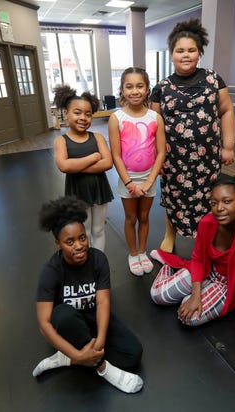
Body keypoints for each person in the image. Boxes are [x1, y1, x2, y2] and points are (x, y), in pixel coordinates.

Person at [32, 196, 143, 393]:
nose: (79, 246)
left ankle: (66, 358)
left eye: (82, 237)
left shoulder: (98, 260)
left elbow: (102, 302)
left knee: (133, 355)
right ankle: (103, 369)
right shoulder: (51, 270)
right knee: (62, 315)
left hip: (93, 317)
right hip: (68, 323)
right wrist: (79, 354)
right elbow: (44, 325)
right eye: (69, 241)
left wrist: (99, 340)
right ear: (58, 244)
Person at [150, 175, 235, 332]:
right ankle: (168, 268)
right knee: (157, 295)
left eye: (227, 201)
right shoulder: (207, 222)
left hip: (229, 283)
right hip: (206, 270)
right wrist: (195, 295)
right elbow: (198, 259)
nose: (219, 208)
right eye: (214, 203)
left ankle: (191, 293)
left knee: (189, 318)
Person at [150, 18, 235, 252]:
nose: (185, 55)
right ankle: (170, 234)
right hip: (172, 158)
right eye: (180, 50)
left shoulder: (213, 80)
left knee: (209, 198)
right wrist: (156, 160)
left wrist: (228, 146)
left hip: (207, 157)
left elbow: (226, 110)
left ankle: (209, 237)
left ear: (199, 53)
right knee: (173, 198)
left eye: (191, 50)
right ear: (172, 54)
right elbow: (153, 126)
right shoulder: (161, 88)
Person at [109, 67, 166, 276]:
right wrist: (130, 184)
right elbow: (116, 155)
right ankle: (133, 253)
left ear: (147, 89)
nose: (135, 91)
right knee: (131, 217)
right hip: (128, 180)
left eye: (139, 86)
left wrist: (150, 181)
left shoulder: (155, 117)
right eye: (129, 86)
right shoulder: (117, 118)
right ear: (122, 90)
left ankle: (142, 251)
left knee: (144, 216)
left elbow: (160, 153)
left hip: (149, 179)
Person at [53, 85, 113, 252]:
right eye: (77, 112)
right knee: (83, 231)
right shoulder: (61, 141)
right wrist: (93, 158)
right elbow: (64, 166)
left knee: (99, 229)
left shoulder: (98, 137)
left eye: (88, 114)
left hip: (98, 189)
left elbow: (107, 163)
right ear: (66, 113)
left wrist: (76, 165)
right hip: (77, 192)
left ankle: (99, 260)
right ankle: (86, 263)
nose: (83, 118)